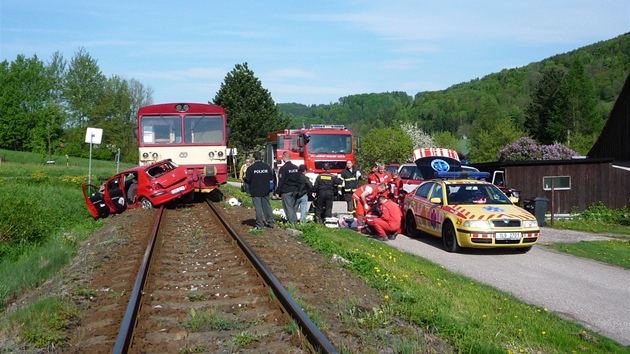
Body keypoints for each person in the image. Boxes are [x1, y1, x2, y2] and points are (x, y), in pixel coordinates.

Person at [244, 152, 275, 230]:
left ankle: (259, 224)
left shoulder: (251, 168)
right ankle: (270, 222)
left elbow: (247, 180)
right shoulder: (267, 167)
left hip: (255, 191)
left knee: (258, 208)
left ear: (254, 158)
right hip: (265, 190)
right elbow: (271, 178)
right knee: (267, 206)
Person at [274, 151, 301, 225]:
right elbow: (299, 179)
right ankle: (294, 222)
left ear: (283, 158)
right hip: (295, 190)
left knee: (288, 208)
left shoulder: (283, 169)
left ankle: (292, 224)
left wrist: (277, 192)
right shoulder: (295, 167)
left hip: (286, 190)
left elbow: (281, 181)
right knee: (292, 208)